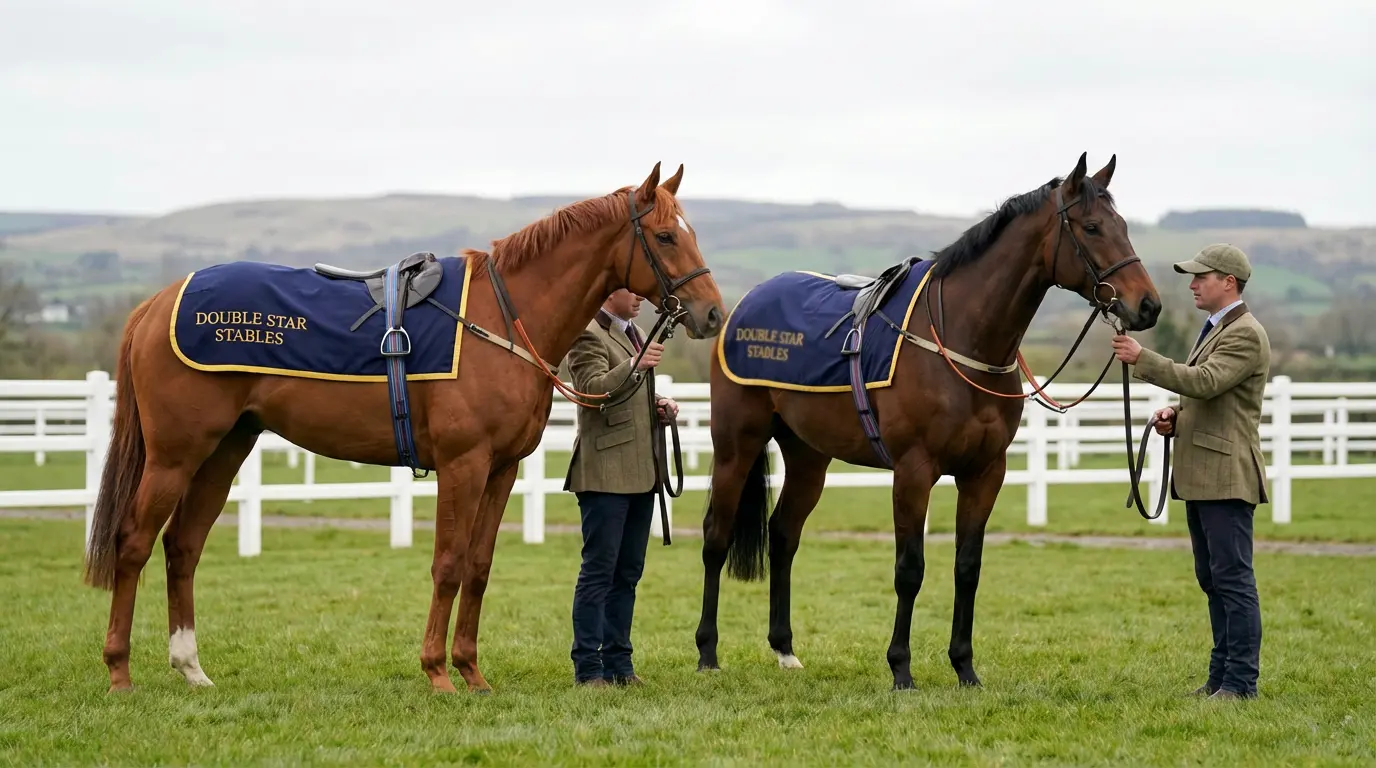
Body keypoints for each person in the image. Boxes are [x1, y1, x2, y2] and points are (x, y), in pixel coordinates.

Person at [1111, 243, 1271, 701]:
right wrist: (1177, 418)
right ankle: (1220, 678)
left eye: (1202, 277)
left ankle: (1241, 682)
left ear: (1229, 282)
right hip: (1204, 474)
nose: (1193, 285)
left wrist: (1142, 358)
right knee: (1213, 580)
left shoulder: (1245, 334)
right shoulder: (1218, 328)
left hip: (1226, 475)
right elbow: (1216, 401)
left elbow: (1205, 381)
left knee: (1233, 582)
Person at [561, 288, 680, 688]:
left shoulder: (634, 332)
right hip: (605, 472)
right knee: (599, 572)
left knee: (627, 573)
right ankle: (588, 669)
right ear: (610, 291)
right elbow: (591, 390)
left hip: (641, 471)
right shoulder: (586, 334)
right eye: (632, 289)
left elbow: (629, 393)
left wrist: (657, 404)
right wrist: (634, 363)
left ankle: (619, 665)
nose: (641, 297)